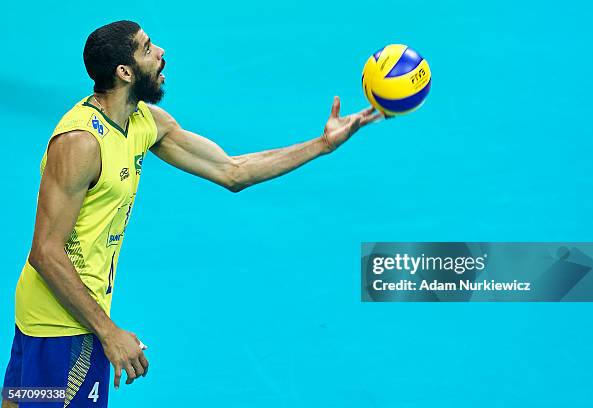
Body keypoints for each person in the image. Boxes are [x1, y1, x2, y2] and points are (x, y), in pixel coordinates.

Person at [1, 20, 382, 408]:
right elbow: (45, 252)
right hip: (62, 330)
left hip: (51, 318)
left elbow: (233, 171)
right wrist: (108, 332)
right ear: (125, 72)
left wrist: (322, 144)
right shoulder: (80, 143)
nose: (161, 52)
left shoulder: (144, 121)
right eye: (147, 48)